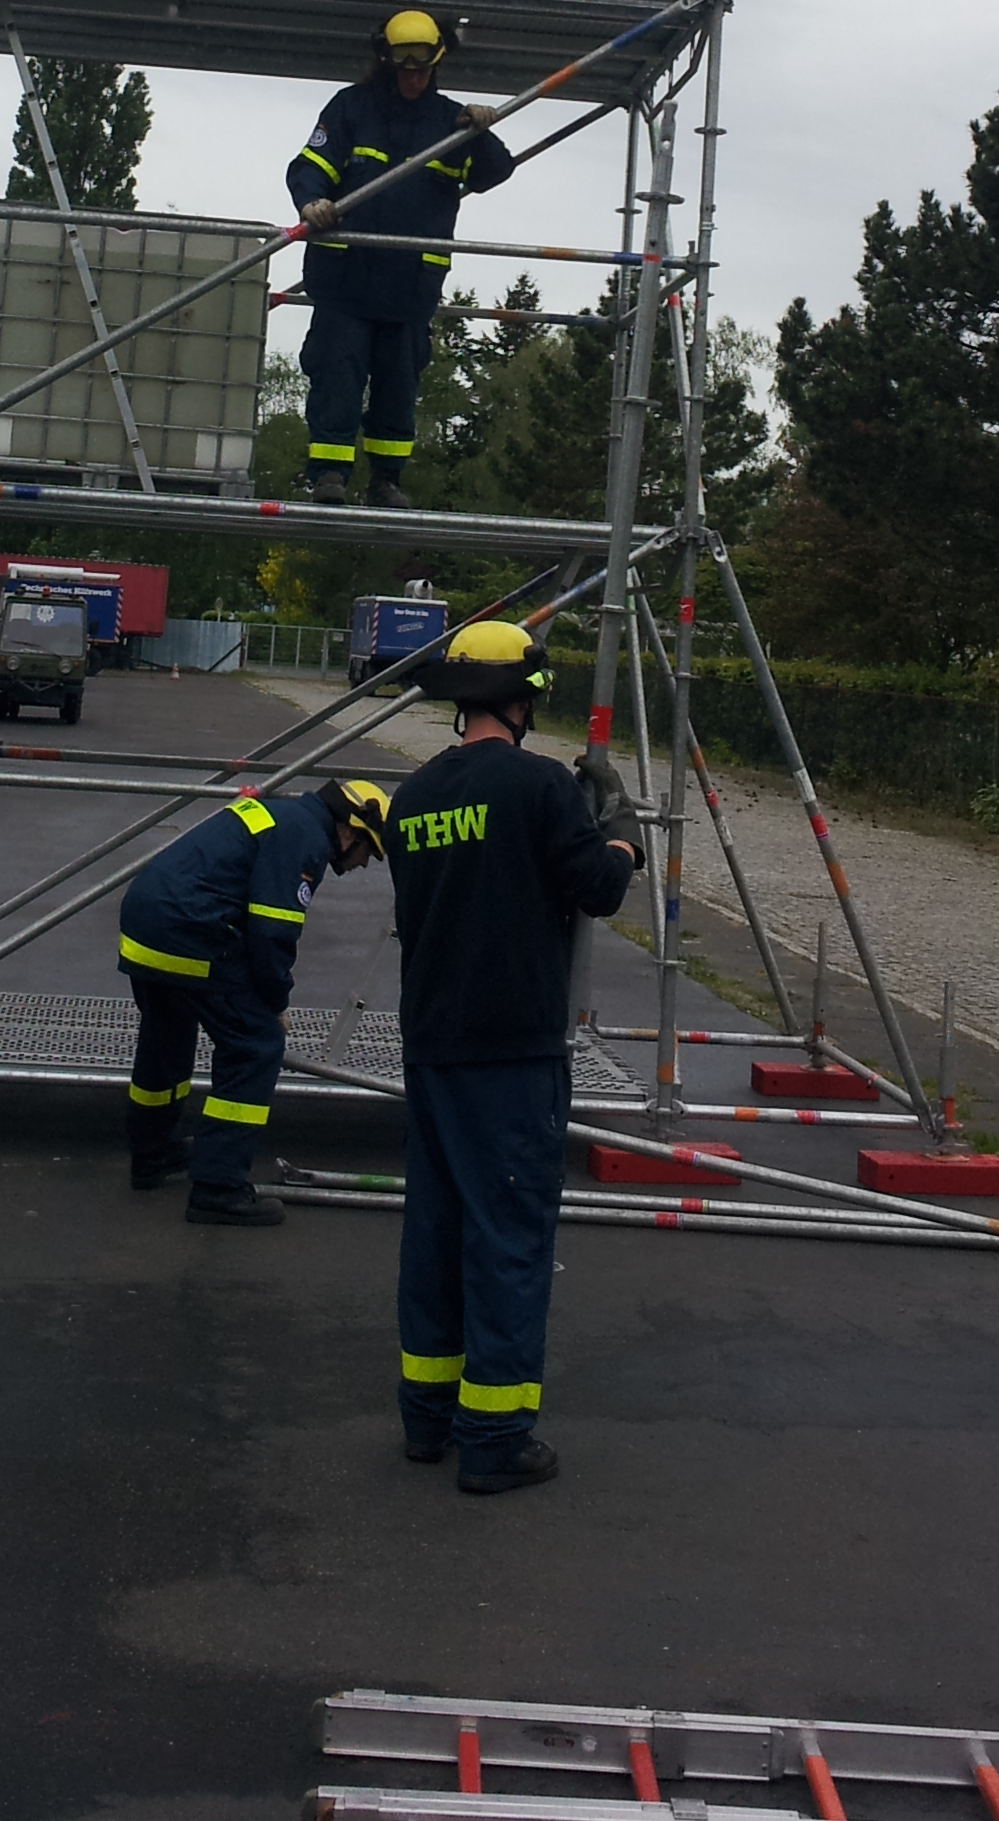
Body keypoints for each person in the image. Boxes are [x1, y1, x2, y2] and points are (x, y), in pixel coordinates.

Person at [385, 621, 641, 1494]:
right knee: (508, 1241)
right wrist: (621, 833)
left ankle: (427, 1420)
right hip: (513, 1051)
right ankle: (494, 1439)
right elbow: (598, 889)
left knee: (437, 1232)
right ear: (523, 699)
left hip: (432, 1044)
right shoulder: (538, 786)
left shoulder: (415, 796)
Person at [117, 775, 391, 1225]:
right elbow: (273, 931)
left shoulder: (284, 815)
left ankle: (150, 1154)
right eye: (369, 851)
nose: (363, 864)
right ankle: (218, 1187)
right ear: (350, 830)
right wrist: (275, 1003)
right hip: (188, 929)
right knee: (255, 1045)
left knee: (167, 1036)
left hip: (146, 926)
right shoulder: (304, 838)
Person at [289, 9, 513, 504]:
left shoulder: (450, 122)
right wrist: (311, 202)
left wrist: (481, 133)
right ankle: (328, 475)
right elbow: (309, 166)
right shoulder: (351, 108)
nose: (413, 78)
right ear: (386, 61)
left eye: (423, 68)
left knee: (398, 387)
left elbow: (493, 173)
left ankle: (386, 480)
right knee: (336, 375)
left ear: (437, 63)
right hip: (345, 279)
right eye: (404, 67)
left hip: (410, 286)